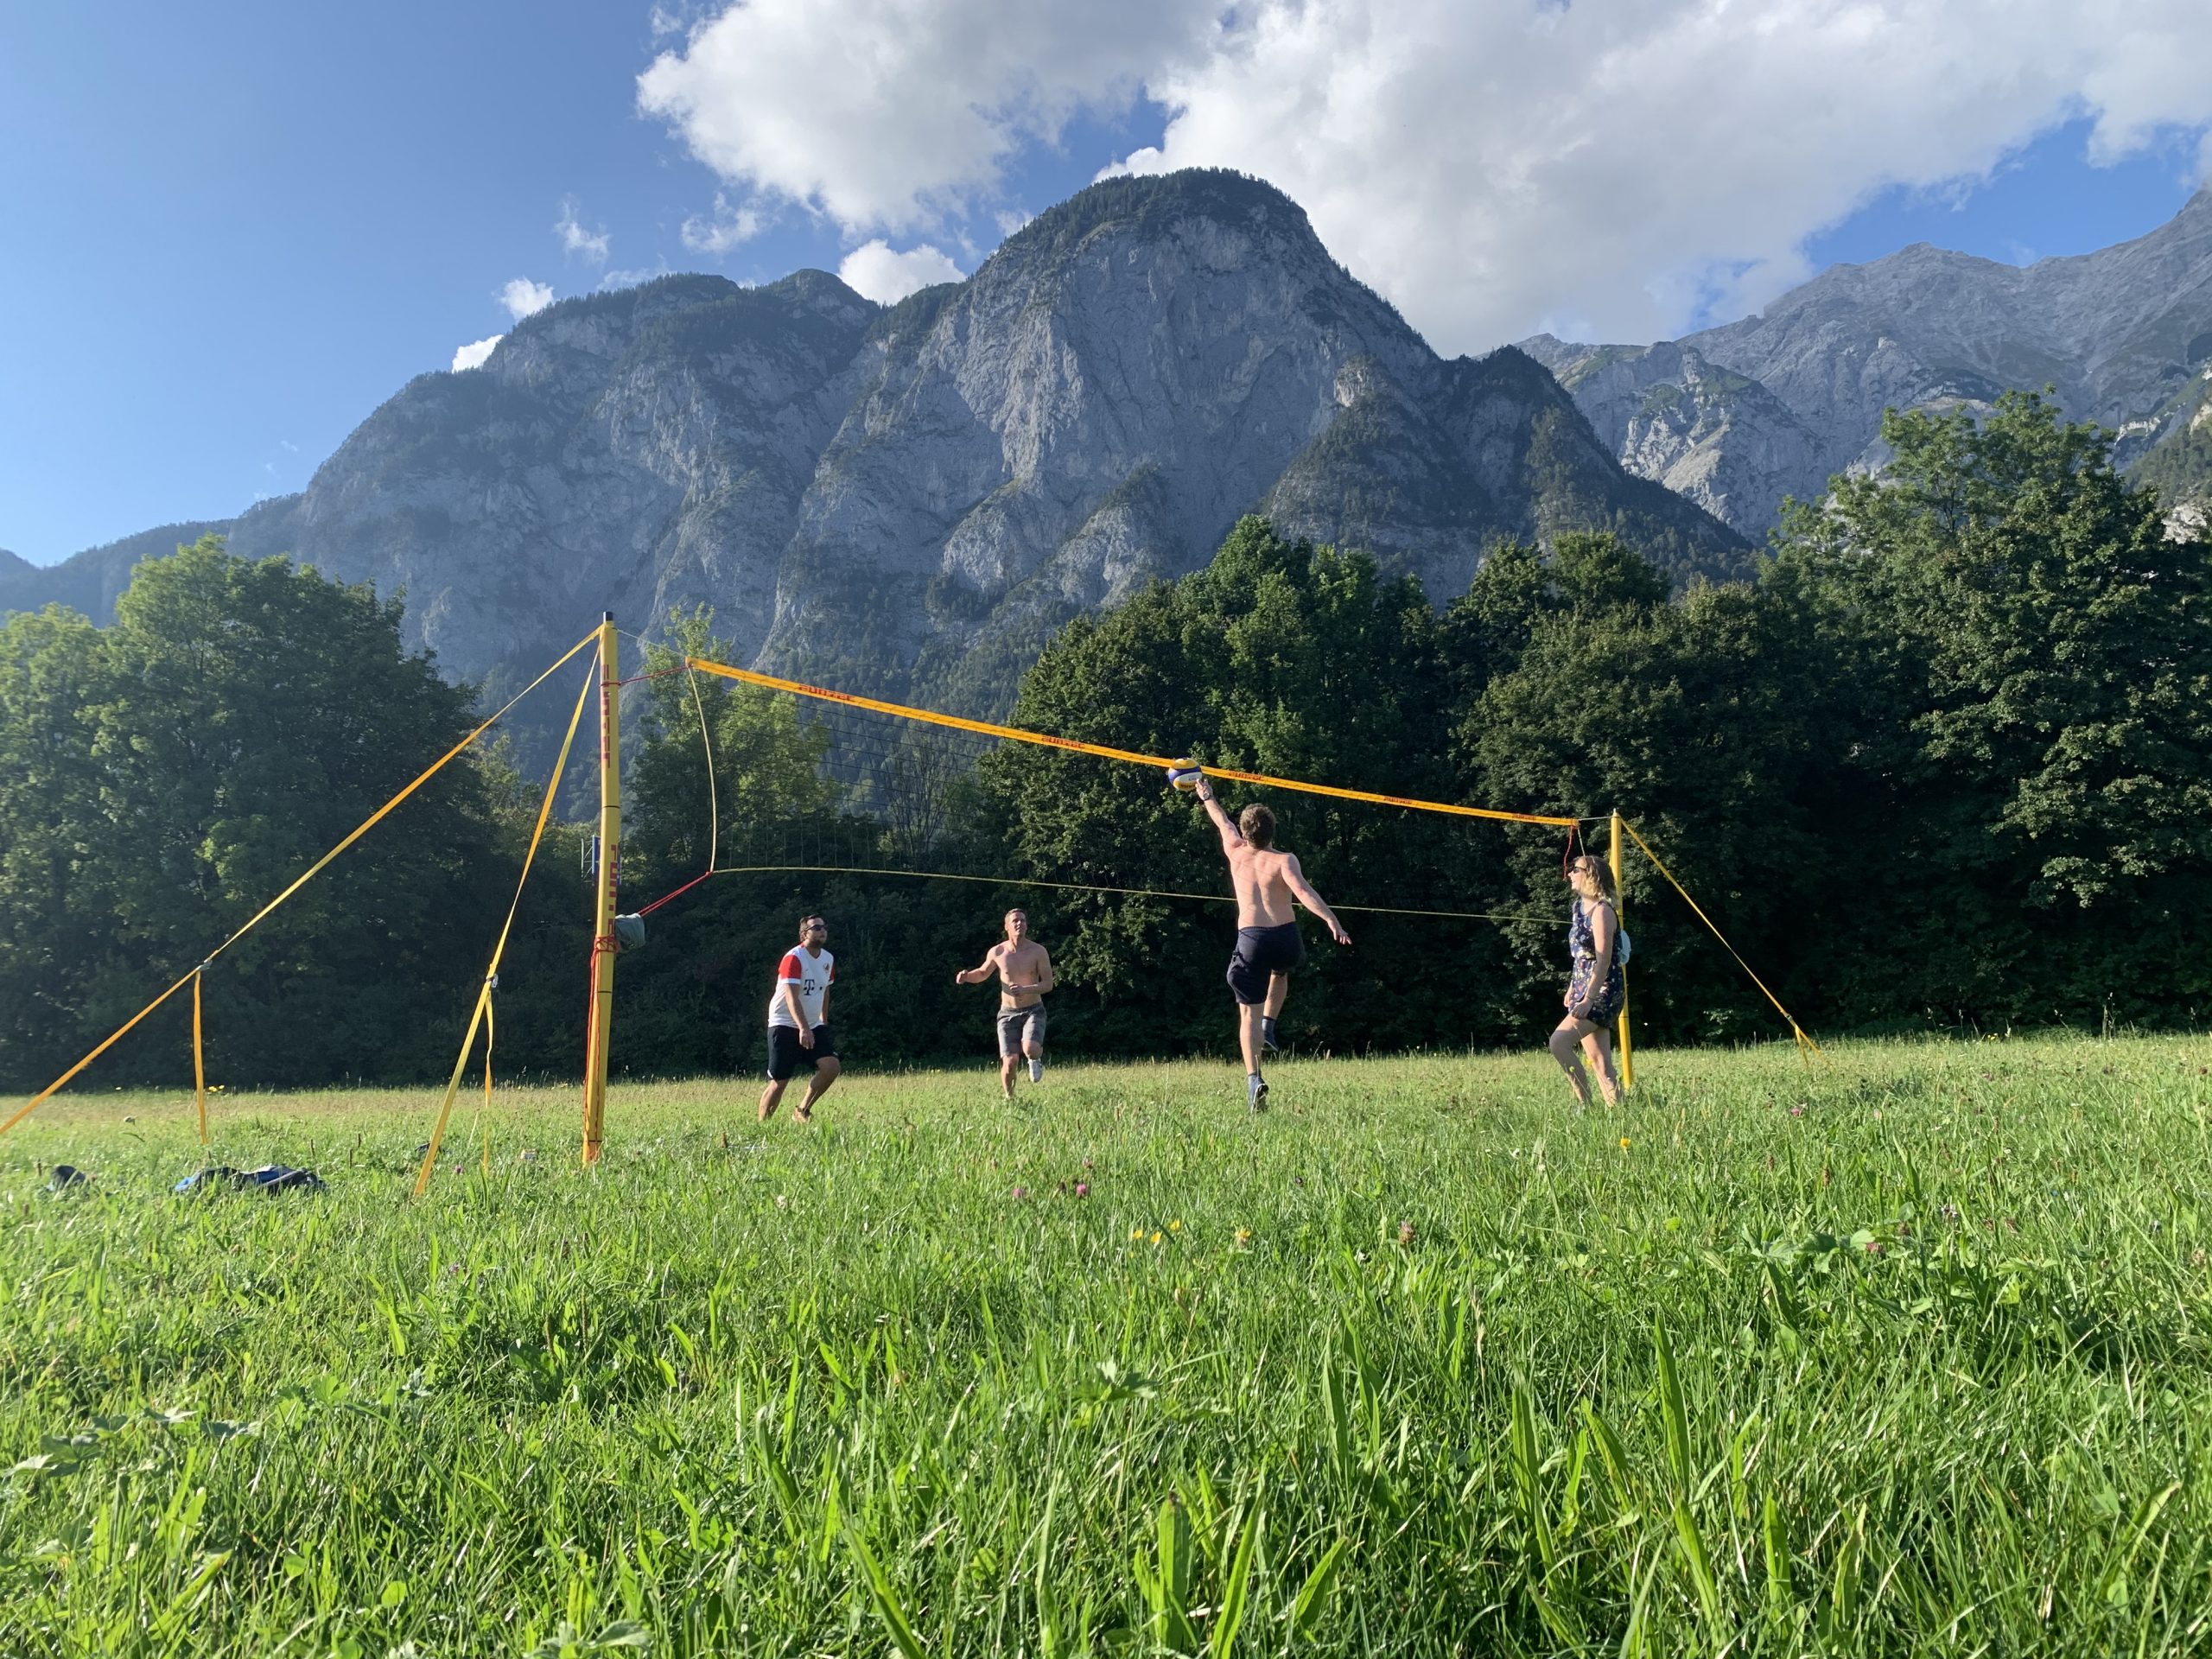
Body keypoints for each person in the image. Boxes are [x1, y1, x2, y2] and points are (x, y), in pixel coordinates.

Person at [1188, 775, 1351, 1109]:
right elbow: (1303, 892)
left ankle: (1254, 1078)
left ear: (1245, 832)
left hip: (1252, 938)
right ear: (1273, 831)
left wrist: (1207, 796)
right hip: (1285, 937)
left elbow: (1221, 821)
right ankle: (1270, 1025)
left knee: (1246, 1013)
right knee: (1281, 970)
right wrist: (1331, 920)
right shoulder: (1284, 860)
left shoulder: (1236, 851)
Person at [953, 907, 1056, 1100]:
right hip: (1008, 1013)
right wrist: (967, 977)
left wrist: (1025, 989)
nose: (1020, 924)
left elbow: (1048, 984)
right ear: (1006, 926)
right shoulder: (998, 951)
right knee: (1010, 1062)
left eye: (1023, 920)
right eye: (1015, 921)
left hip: (1033, 1010)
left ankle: (1035, 1059)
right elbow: (982, 973)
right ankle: (1010, 1098)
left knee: (1030, 1049)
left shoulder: (1038, 951)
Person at [1549, 855, 1625, 1108]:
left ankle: (1585, 1105)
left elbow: (1603, 960)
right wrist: (1574, 987)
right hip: (1584, 986)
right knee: (1600, 1061)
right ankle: (1620, 1115)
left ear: (1591, 875)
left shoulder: (1602, 912)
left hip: (1603, 990)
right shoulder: (1577, 908)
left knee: (1558, 1042)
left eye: (1575, 869)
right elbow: (1582, 955)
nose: (1569, 874)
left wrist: (1589, 998)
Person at [759, 913, 838, 1123]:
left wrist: (822, 1021)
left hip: (812, 1024)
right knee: (780, 1081)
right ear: (804, 934)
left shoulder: (828, 959)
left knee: (831, 1067)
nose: (822, 930)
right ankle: (762, 1126)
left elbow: (825, 990)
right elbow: (791, 997)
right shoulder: (794, 958)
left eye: (824, 927)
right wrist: (803, 1028)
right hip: (784, 1024)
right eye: (816, 928)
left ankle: (802, 1111)